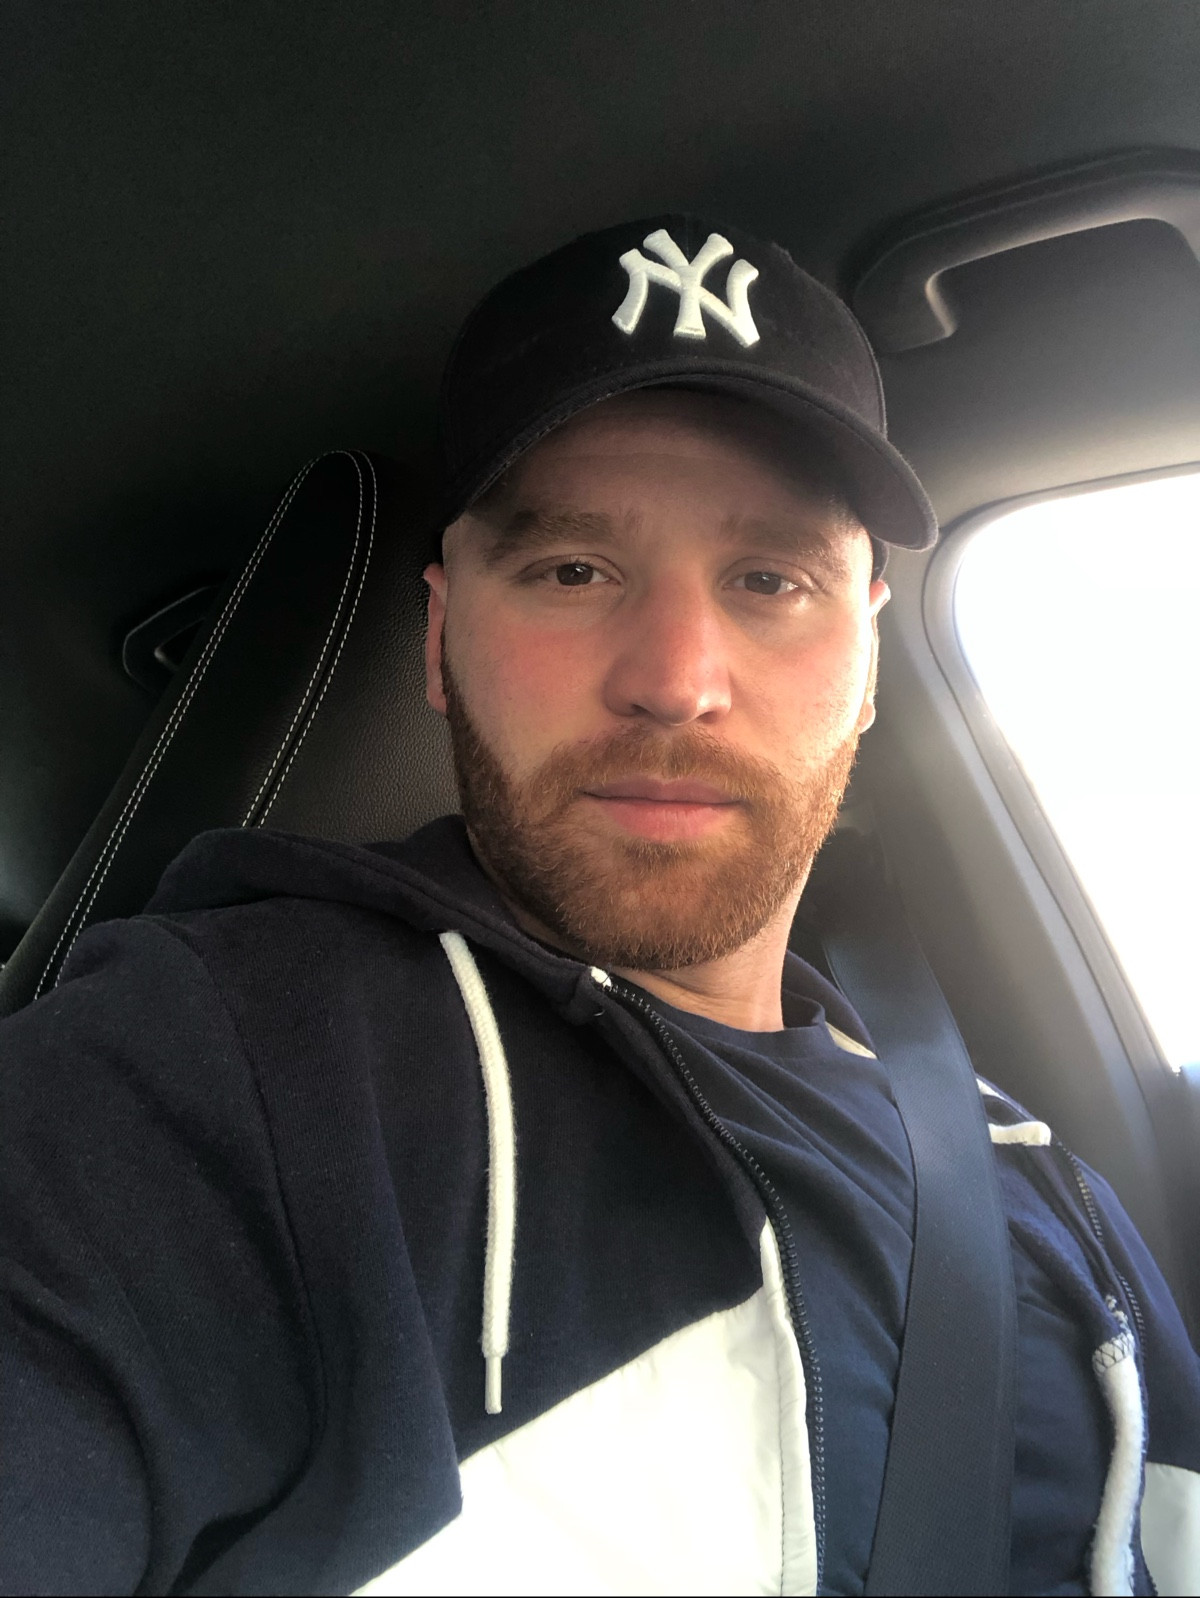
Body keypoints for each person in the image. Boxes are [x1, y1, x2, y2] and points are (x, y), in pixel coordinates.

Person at [2, 216, 1197, 1597]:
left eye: (770, 581)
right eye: (573, 571)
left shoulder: (1038, 1180)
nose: (675, 680)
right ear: (439, 638)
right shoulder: (211, 1071)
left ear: (868, 658)